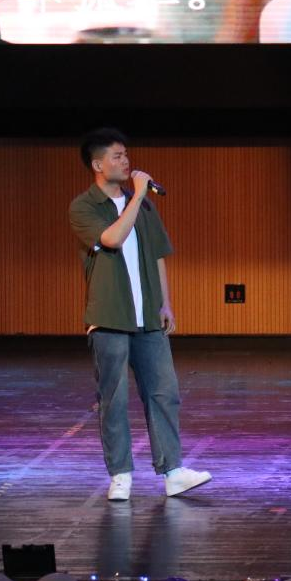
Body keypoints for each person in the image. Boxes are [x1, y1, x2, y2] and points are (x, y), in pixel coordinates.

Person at [68, 129, 212, 501]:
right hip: (110, 317)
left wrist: (165, 303)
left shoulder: (144, 205)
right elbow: (112, 239)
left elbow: (158, 255)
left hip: (147, 316)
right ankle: (120, 475)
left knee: (164, 392)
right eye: (117, 156)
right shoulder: (84, 206)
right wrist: (137, 196)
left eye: (126, 154)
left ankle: (173, 471)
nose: (126, 161)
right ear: (97, 165)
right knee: (113, 398)